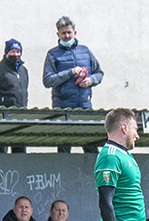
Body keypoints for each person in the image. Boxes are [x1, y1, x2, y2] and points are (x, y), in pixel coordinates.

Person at [43, 16, 104, 154]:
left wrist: (91, 80)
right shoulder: (53, 54)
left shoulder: (85, 51)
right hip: (63, 107)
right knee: (64, 145)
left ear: (75, 33)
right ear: (58, 34)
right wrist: (70, 72)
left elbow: (99, 73)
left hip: (84, 106)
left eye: (69, 32)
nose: (67, 36)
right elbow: (48, 80)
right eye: (63, 33)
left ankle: (97, 175)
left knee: (90, 145)